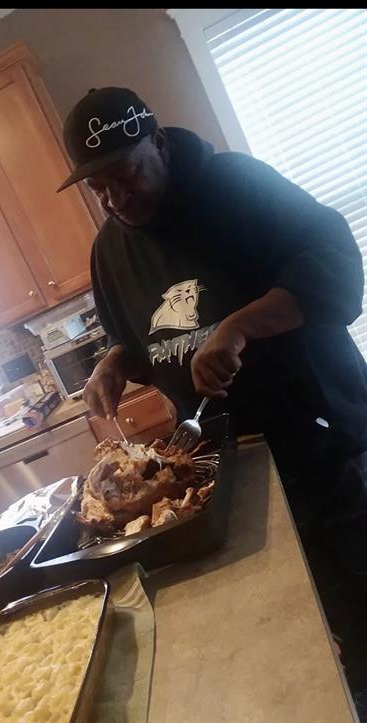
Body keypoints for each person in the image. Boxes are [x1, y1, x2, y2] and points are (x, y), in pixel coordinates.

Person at [57, 87, 367, 712]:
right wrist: (115, 363)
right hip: (232, 465)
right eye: (99, 188)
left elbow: (336, 268)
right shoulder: (110, 249)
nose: (115, 199)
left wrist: (241, 326)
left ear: (159, 144)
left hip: (324, 442)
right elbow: (138, 339)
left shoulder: (237, 186)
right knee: (307, 616)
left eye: (126, 174)